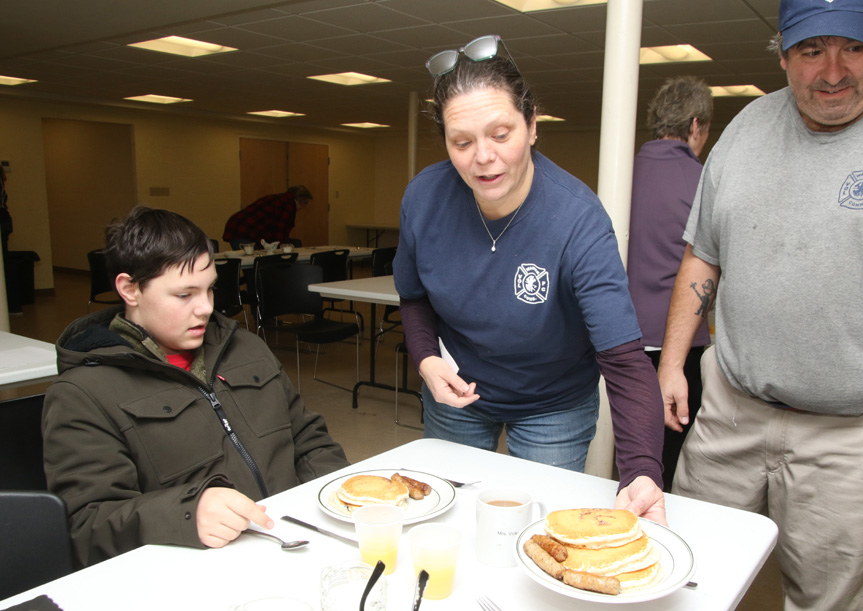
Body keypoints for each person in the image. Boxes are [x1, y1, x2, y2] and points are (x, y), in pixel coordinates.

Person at [657, 0, 863, 609]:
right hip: (733, 413)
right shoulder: (746, 129)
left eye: (855, 48)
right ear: (785, 54)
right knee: (690, 579)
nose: (833, 70)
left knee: (834, 602)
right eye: (812, 51)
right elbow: (703, 256)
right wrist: (671, 364)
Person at [393, 34, 666, 524]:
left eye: (501, 134)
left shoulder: (578, 220)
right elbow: (413, 299)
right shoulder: (424, 198)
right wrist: (427, 360)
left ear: (533, 125)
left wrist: (642, 471)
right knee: (446, 521)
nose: (483, 157)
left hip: (552, 404)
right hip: (458, 390)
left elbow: (623, 361)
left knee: (538, 531)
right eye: (462, 141)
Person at [43, 206, 349, 567]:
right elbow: (88, 525)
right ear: (129, 289)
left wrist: (340, 501)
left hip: (297, 542)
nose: (205, 308)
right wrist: (187, 515)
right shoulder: (83, 393)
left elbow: (308, 437)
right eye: (184, 295)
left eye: (210, 290)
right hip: (196, 569)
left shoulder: (247, 348)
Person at [626, 76, 713, 491]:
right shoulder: (704, 181)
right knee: (666, 454)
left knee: (623, 444)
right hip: (678, 342)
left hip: (618, 335)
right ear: (696, 125)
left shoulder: (618, 171)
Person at [221, 185, 311, 247]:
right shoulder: (288, 205)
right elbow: (279, 230)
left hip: (237, 226)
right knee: (253, 265)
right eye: (305, 203)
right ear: (300, 200)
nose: (302, 208)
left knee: (253, 265)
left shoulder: (279, 199)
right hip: (243, 231)